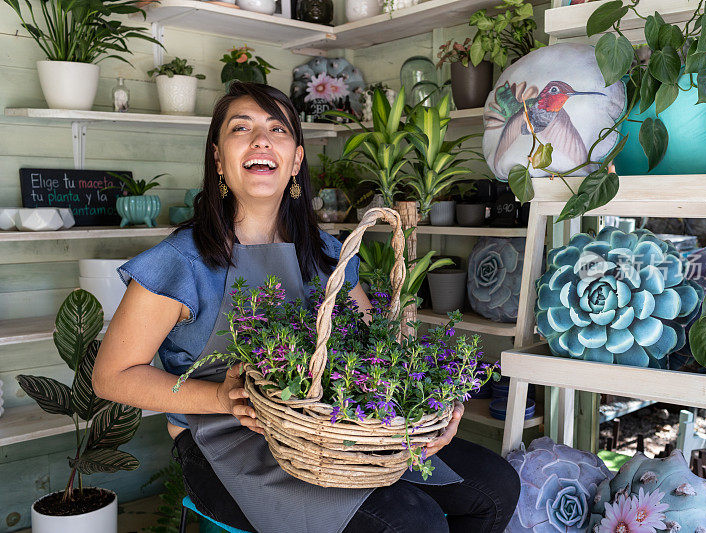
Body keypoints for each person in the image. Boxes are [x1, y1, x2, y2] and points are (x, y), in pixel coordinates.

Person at [93, 81, 520, 533]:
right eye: (241, 127)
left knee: (495, 488)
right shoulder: (182, 261)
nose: (260, 139)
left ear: (296, 159)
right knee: (415, 522)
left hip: (330, 421)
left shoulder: (325, 252)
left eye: (277, 129)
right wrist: (219, 397)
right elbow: (111, 376)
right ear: (218, 159)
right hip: (225, 437)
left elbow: (372, 344)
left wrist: (428, 409)